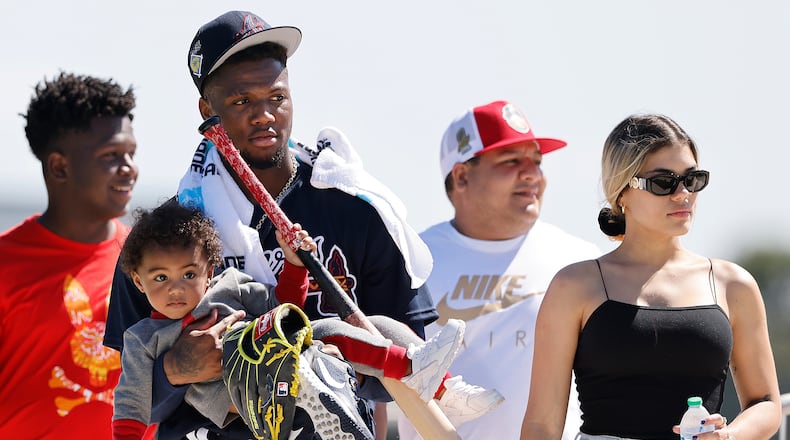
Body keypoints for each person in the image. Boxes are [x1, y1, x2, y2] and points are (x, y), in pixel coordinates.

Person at [104, 11, 495, 438]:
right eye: (240, 102)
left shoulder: (359, 207)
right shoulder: (166, 241)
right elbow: (135, 397)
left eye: (276, 97)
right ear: (206, 109)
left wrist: (326, 366)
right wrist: (175, 370)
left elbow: (401, 371)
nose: (264, 115)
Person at [519, 114, 783, 440]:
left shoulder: (733, 284)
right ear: (621, 192)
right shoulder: (574, 286)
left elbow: (767, 402)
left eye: (693, 179)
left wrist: (729, 436)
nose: (683, 193)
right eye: (663, 182)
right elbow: (541, 425)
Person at [112, 201, 466, 439]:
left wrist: (295, 266)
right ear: (139, 281)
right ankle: (326, 388)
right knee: (320, 347)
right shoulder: (143, 338)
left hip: (279, 358)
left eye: (189, 274)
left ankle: (439, 382)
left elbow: (282, 307)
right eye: (160, 278)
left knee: (371, 328)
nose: (177, 289)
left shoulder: (229, 287)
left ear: (209, 272)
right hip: (239, 405)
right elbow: (131, 403)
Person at [398, 100, 601, 440]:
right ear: (461, 176)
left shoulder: (580, 260)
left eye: (536, 162)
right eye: (511, 161)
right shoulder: (411, 260)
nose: (532, 174)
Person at [0, 72, 138, 439]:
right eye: (111, 155)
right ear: (59, 166)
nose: (129, 169)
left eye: (131, 154)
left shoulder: (152, 261)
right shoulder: (5, 267)